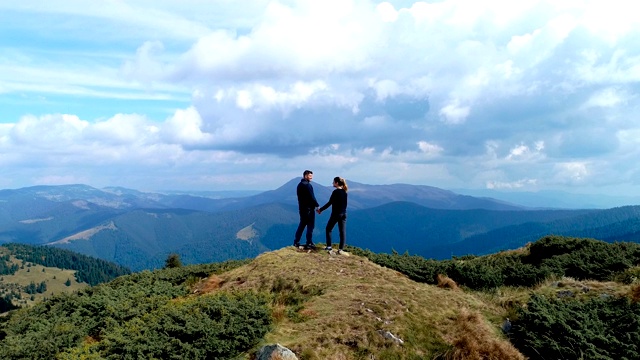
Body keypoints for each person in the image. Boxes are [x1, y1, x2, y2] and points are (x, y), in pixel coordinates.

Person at [317, 176, 348, 254]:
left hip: (336, 214)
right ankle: (341, 249)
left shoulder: (336, 192)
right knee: (342, 231)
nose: (332, 183)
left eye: (333, 182)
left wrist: (320, 210)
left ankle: (329, 246)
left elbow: (329, 203)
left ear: (337, 183)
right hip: (344, 213)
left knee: (328, 229)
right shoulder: (344, 192)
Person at [293, 170, 319, 249]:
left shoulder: (299, 185)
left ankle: (296, 242)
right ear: (305, 176)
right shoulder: (308, 185)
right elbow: (312, 197)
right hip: (309, 209)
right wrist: (317, 205)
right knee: (310, 226)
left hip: (302, 209)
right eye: (310, 176)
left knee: (302, 225)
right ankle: (309, 242)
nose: (311, 177)